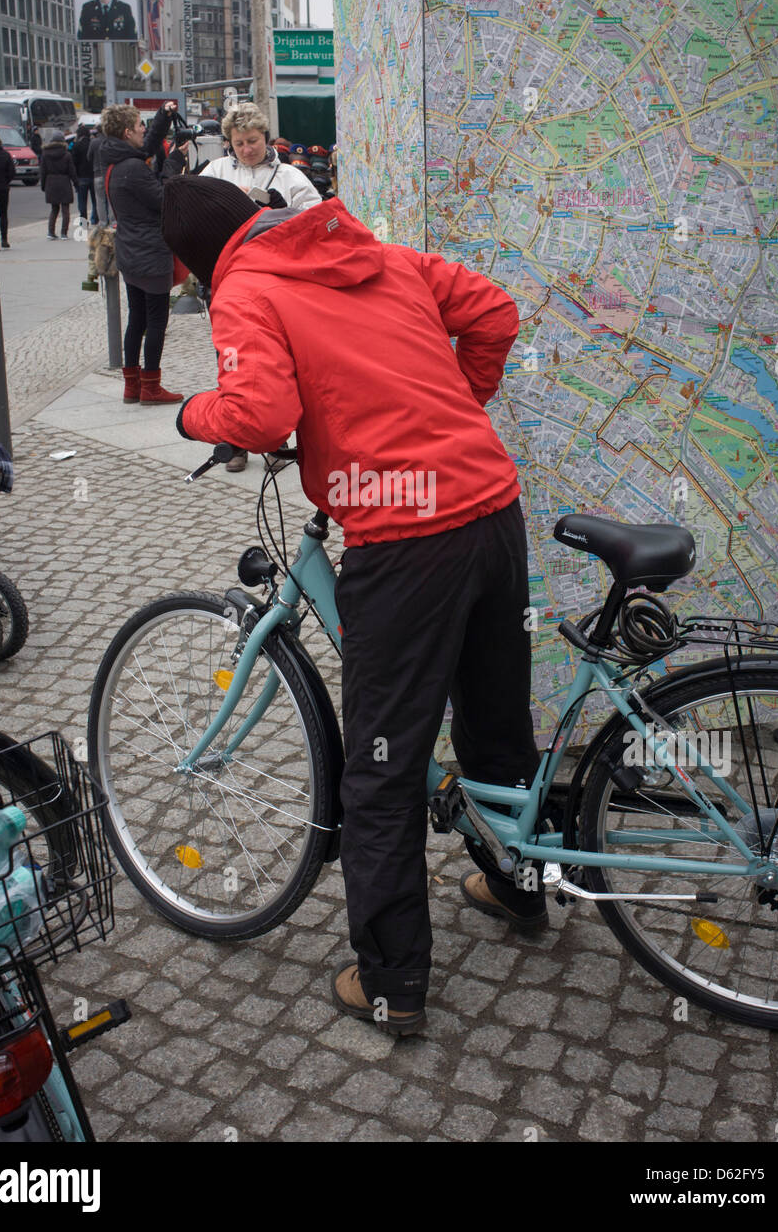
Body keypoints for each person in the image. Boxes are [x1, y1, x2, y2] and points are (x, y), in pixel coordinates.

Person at [161, 176, 543, 1036]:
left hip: (408, 542)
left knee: (380, 770)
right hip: (491, 507)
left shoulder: (244, 288)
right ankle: (520, 887)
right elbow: (493, 312)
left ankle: (392, 985)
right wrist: (455, 407)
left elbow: (258, 414)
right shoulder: (369, 251)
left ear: (196, 264)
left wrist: (191, 415)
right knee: (495, 719)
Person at [202, 102, 319, 472]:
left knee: (275, 360)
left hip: (276, 282)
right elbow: (195, 213)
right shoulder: (216, 170)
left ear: (265, 138)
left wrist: (285, 213)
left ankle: (274, 439)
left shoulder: (289, 175)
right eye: (238, 143)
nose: (246, 149)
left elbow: (316, 217)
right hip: (229, 279)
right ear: (229, 143)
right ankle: (234, 442)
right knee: (231, 360)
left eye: (252, 141)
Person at [98, 101, 183, 406]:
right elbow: (164, 199)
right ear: (125, 132)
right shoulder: (134, 168)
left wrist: (163, 115)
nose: (143, 130)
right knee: (156, 321)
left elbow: (145, 147)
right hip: (150, 252)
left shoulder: (115, 161)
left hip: (130, 252)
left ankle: (131, 386)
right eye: (139, 126)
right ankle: (151, 387)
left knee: (136, 318)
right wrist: (174, 163)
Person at [39, 132, 78, 240]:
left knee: (54, 209)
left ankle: (51, 232)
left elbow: (43, 172)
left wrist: (43, 185)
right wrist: (76, 183)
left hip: (50, 182)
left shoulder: (45, 154)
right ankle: (64, 233)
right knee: (65, 210)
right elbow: (72, 171)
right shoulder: (66, 154)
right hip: (64, 182)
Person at [72, 125, 98, 224]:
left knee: (82, 201)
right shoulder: (92, 144)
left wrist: (75, 178)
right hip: (93, 175)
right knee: (95, 200)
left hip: (81, 177)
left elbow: (74, 162)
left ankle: (83, 220)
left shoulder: (76, 145)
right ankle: (94, 219)